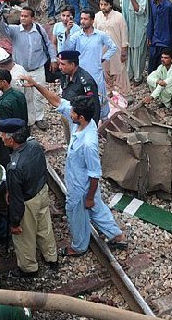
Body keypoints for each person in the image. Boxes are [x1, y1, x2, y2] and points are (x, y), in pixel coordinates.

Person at [23, 77, 127, 256]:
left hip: (81, 187)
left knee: (76, 215)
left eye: (72, 112)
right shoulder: (82, 122)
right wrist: (37, 84)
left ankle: (78, 247)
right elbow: (57, 101)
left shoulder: (88, 144)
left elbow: (95, 174)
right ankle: (116, 236)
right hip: (81, 182)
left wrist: (88, 196)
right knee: (97, 208)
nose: (69, 113)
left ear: (81, 116)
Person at [0, 119, 58, 277]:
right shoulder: (34, 146)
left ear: (11, 139)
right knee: (44, 227)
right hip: (41, 191)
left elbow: (16, 200)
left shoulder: (14, 167)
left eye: (3, 134)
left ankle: (29, 268)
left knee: (24, 238)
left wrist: (15, 222)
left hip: (27, 202)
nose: (1, 136)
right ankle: (51, 257)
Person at [0, 7, 57, 130]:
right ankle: (26, 120)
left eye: (26, 16)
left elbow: (48, 44)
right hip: (21, 70)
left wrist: (54, 59)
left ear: (32, 18)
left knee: (39, 94)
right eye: (22, 16)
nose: (23, 18)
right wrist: (0, 18)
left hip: (38, 68)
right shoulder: (14, 30)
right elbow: (3, 30)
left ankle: (39, 118)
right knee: (22, 95)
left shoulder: (39, 30)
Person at [63, 10, 117, 119]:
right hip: (81, 75)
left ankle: (102, 125)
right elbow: (66, 50)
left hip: (96, 74)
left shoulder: (100, 35)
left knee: (100, 101)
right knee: (82, 101)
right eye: (81, 19)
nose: (82, 21)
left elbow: (113, 47)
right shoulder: (76, 36)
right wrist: (67, 32)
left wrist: (104, 58)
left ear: (92, 21)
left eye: (85, 19)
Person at [94, 0, 130, 97]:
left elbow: (124, 34)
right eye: (101, 4)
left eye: (105, 4)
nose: (103, 7)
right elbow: (94, 34)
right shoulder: (97, 17)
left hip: (117, 50)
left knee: (119, 70)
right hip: (103, 50)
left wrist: (124, 51)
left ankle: (124, 92)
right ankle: (108, 91)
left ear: (110, 5)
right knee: (105, 71)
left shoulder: (119, 16)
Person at [120, 0, 148, 83]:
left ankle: (138, 76)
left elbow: (140, 10)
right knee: (128, 48)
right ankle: (129, 74)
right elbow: (122, 6)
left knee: (138, 50)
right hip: (127, 24)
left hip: (138, 25)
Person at [56, 50, 100, 122]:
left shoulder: (86, 82)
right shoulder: (65, 74)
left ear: (72, 65)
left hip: (80, 121)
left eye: (63, 64)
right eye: (60, 64)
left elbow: (94, 107)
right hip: (68, 115)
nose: (60, 67)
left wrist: (91, 127)